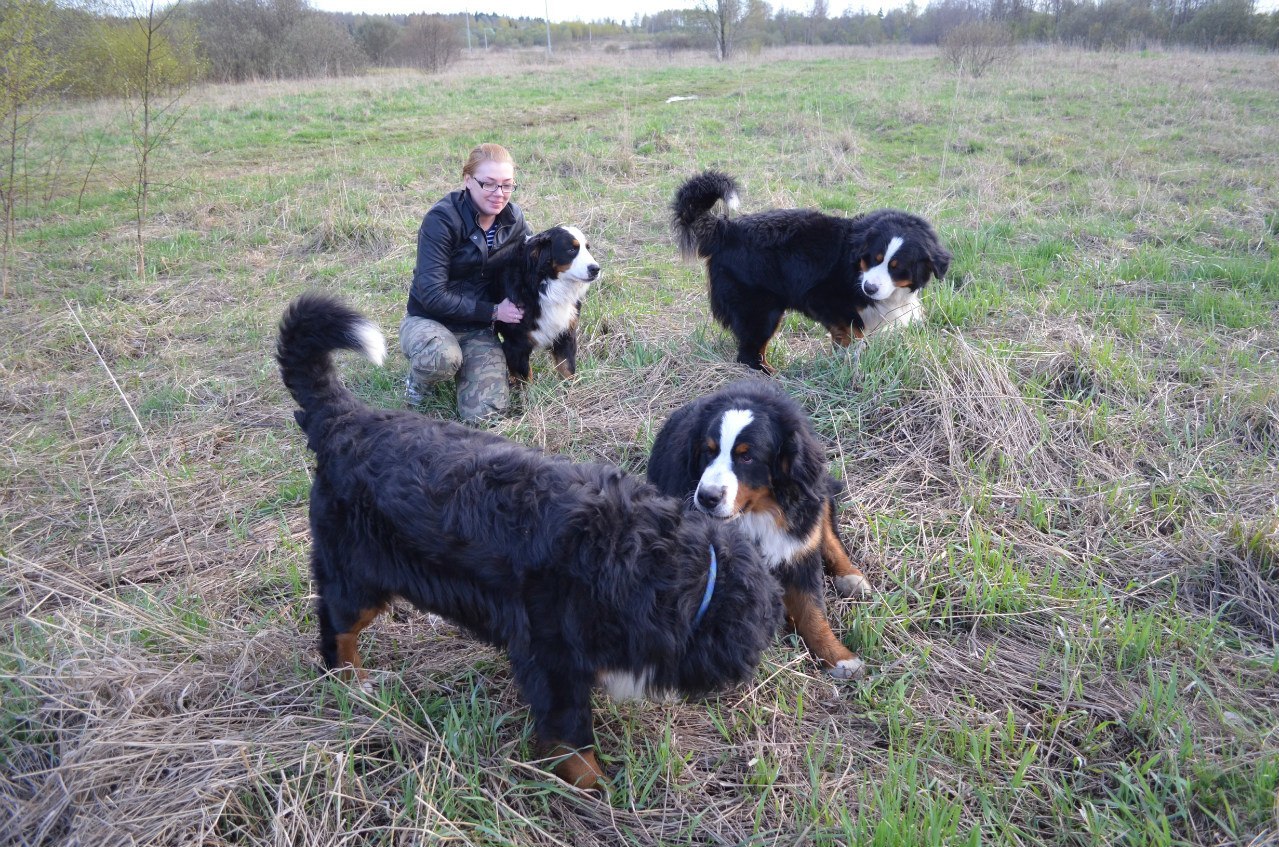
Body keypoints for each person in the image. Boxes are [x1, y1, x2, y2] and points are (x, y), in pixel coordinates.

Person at [400, 143, 530, 423]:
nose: (499, 195)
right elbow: (432, 294)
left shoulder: (514, 221)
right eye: (489, 184)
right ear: (468, 180)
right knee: (442, 357)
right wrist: (494, 312)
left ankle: (467, 369)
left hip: (476, 329)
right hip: (428, 319)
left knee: (488, 416)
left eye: (507, 186)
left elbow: (530, 268)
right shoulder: (442, 220)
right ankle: (418, 382)